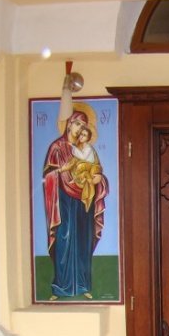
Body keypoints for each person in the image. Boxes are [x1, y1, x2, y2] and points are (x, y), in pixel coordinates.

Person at [43, 109, 109, 300]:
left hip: (84, 201)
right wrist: (61, 172)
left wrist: (98, 179)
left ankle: (83, 285)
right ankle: (60, 287)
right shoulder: (57, 147)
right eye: (78, 123)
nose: (80, 128)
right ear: (69, 124)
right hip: (63, 201)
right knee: (64, 239)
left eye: (84, 125)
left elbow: (97, 172)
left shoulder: (88, 150)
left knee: (83, 240)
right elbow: (48, 176)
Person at [70, 125, 103, 212]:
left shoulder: (88, 147)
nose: (81, 137)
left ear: (88, 138)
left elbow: (82, 157)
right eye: (81, 134)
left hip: (89, 166)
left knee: (79, 167)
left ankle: (79, 179)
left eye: (84, 135)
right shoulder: (82, 147)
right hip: (85, 166)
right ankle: (77, 179)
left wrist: (73, 148)